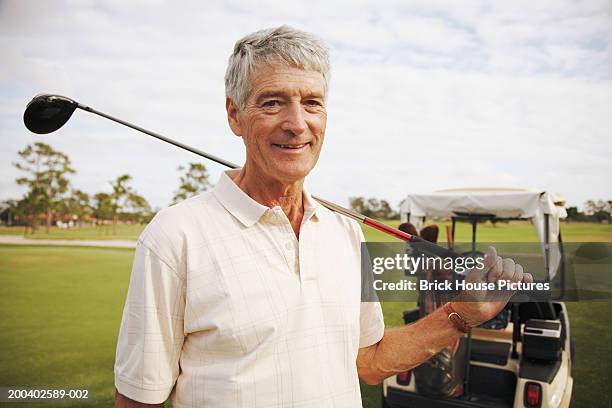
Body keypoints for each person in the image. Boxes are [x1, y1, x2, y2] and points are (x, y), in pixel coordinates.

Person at [114, 26, 533, 408]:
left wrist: (460, 314)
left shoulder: (346, 231)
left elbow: (367, 361)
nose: (297, 124)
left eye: (311, 103)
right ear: (234, 115)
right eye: (273, 103)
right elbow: (139, 398)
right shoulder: (174, 236)